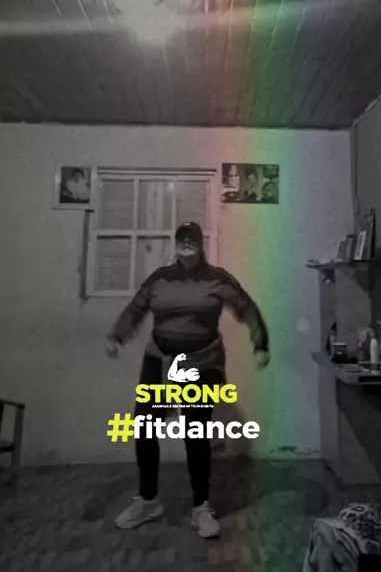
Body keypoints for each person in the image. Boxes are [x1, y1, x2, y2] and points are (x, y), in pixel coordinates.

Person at [105, 221, 270, 538]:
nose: (186, 243)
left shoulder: (217, 278)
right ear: (176, 244)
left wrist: (260, 344)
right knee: (145, 428)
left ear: (201, 243)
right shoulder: (160, 278)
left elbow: (246, 307)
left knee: (196, 434)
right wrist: (117, 336)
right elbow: (136, 309)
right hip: (160, 363)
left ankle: (200, 507)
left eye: (192, 239)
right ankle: (148, 500)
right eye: (181, 239)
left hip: (201, 365)